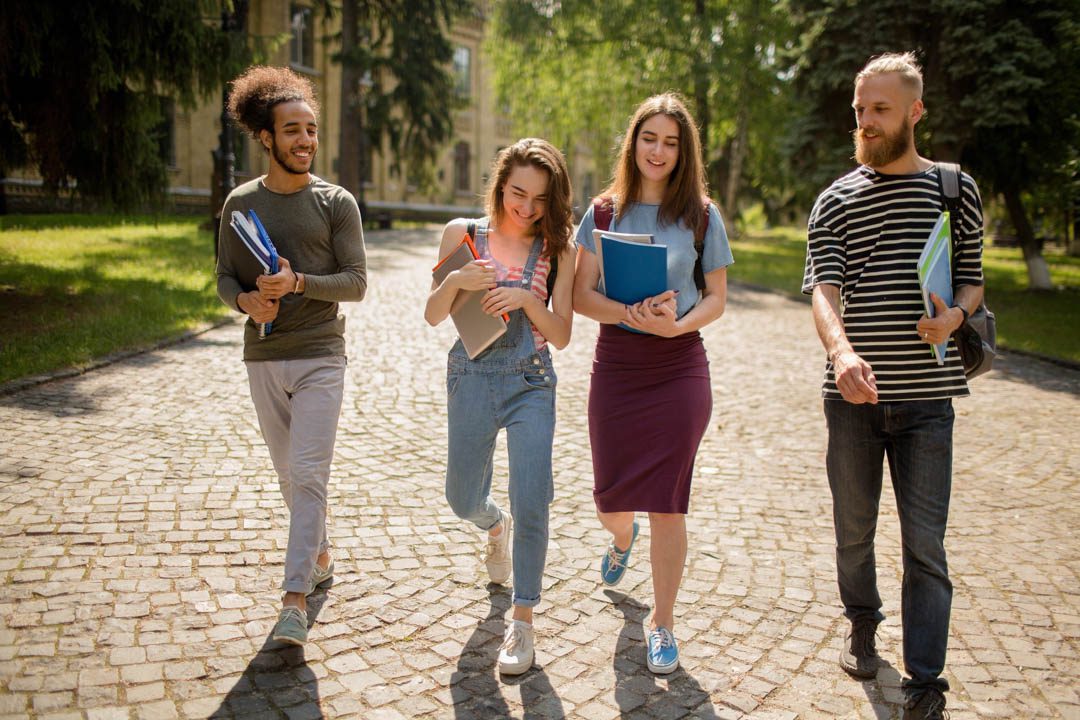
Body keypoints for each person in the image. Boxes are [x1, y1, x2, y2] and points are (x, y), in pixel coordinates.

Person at [802, 52, 985, 720]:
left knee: (925, 545)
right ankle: (861, 619)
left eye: (879, 109)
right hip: (850, 400)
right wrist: (842, 351)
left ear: (915, 111)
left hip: (928, 402)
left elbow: (972, 275)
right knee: (854, 531)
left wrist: (957, 317)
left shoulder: (953, 187)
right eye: (859, 110)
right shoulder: (835, 198)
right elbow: (823, 290)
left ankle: (926, 681)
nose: (866, 121)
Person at [572, 93, 733, 674]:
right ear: (633, 142)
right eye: (649, 138)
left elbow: (716, 297)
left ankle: (662, 625)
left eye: (670, 142)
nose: (658, 151)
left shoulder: (702, 215)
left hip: (679, 366)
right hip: (617, 364)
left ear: (683, 150)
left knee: (669, 503)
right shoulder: (604, 212)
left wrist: (675, 327)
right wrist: (628, 315)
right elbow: (580, 293)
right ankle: (621, 539)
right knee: (610, 498)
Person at [215, 66, 367, 646]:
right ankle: (320, 551)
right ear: (266, 138)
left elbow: (356, 282)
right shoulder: (240, 203)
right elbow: (225, 278)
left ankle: (294, 600)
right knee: (289, 474)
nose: (305, 141)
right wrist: (248, 300)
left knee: (309, 472)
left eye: (311, 130)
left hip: (321, 354)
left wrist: (299, 281)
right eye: (292, 131)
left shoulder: (336, 203)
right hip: (264, 356)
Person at [424, 138, 575, 675]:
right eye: (518, 193)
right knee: (461, 497)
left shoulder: (560, 248)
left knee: (533, 495)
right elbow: (433, 314)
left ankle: (525, 619)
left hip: (532, 380)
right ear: (500, 185)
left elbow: (561, 335)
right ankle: (493, 526)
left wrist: (529, 299)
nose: (527, 208)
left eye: (539, 199)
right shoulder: (460, 234)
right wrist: (458, 280)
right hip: (470, 375)